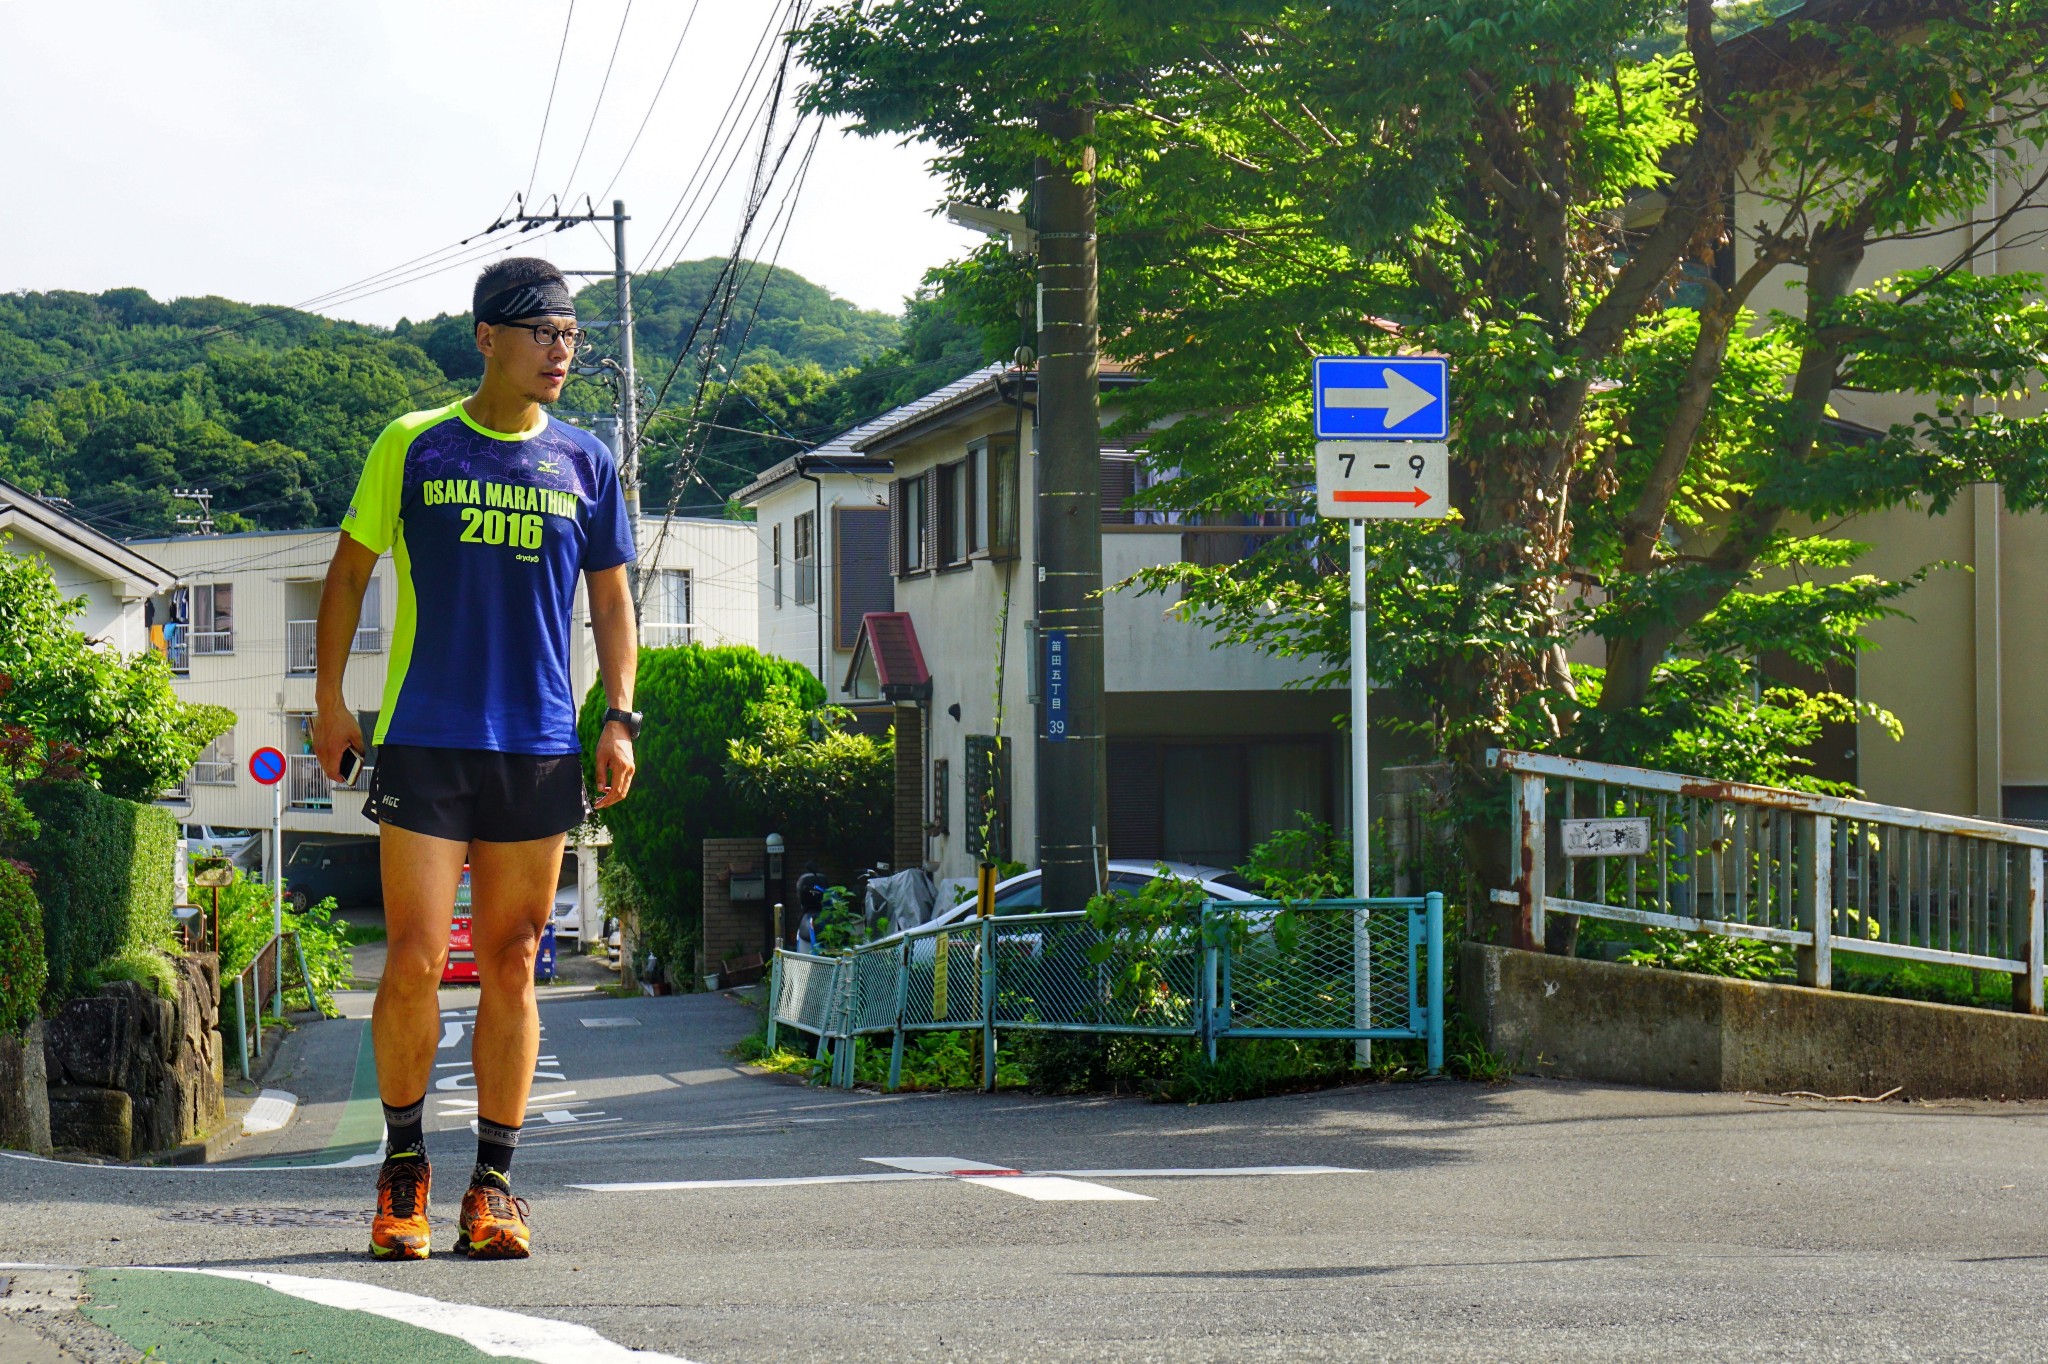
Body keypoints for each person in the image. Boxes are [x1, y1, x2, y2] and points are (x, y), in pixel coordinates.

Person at [312, 257, 641, 1261]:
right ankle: (403, 1167)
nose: (562, 350)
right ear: (487, 336)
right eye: (544, 330)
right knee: (413, 955)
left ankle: (493, 1184)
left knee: (511, 961)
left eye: (573, 335)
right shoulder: (411, 442)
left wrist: (617, 715)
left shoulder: (585, 460)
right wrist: (330, 699)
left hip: (539, 741)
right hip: (426, 731)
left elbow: (613, 600)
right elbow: (349, 569)